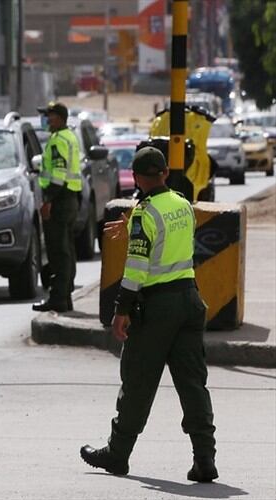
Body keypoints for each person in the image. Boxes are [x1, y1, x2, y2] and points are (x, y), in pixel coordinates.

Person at [80, 147, 217, 482]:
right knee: (193, 384)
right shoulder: (183, 204)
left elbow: (137, 268)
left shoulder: (144, 214)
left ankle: (117, 454)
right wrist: (134, 223)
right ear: (165, 173)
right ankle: (205, 458)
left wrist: (121, 310)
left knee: (138, 382)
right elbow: (168, 238)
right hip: (189, 300)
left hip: (157, 308)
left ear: (137, 178)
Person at [33, 101, 82, 312]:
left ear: (60, 118)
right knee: (67, 250)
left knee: (58, 253)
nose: (45, 120)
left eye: (49, 116)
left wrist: (48, 202)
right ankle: (65, 295)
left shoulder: (58, 141)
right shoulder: (69, 136)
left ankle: (59, 298)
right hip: (70, 199)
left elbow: (58, 175)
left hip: (59, 200)